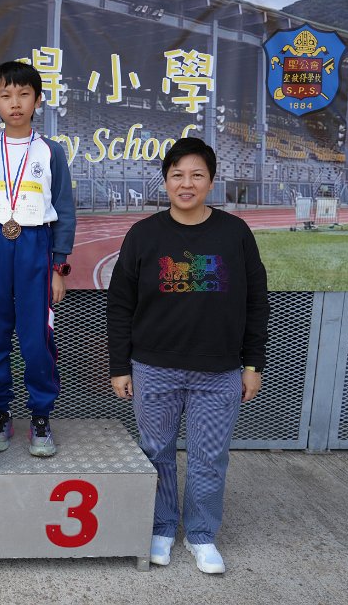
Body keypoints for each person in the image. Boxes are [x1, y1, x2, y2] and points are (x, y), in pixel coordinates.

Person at [106, 137, 269, 574]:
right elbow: (119, 304)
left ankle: (201, 534)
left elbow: (257, 301)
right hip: (153, 368)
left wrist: (252, 364)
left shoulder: (235, 234)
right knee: (156, 452)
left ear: (211, 181)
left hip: (219, 371)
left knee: (209, 456)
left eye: (197, 175)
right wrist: (120, 365)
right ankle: (161, 527)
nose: (186, 183)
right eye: (177, 175)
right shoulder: (144, 234)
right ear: (165, 181)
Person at [0, 62, 76, 457]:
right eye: (6, 96)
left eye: (24, 94)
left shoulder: (51, 151)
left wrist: (58, 267)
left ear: (38, 100)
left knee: (36, 337)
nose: (16, 103)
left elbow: (64, 210)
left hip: (35, 243)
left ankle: (40, 415)